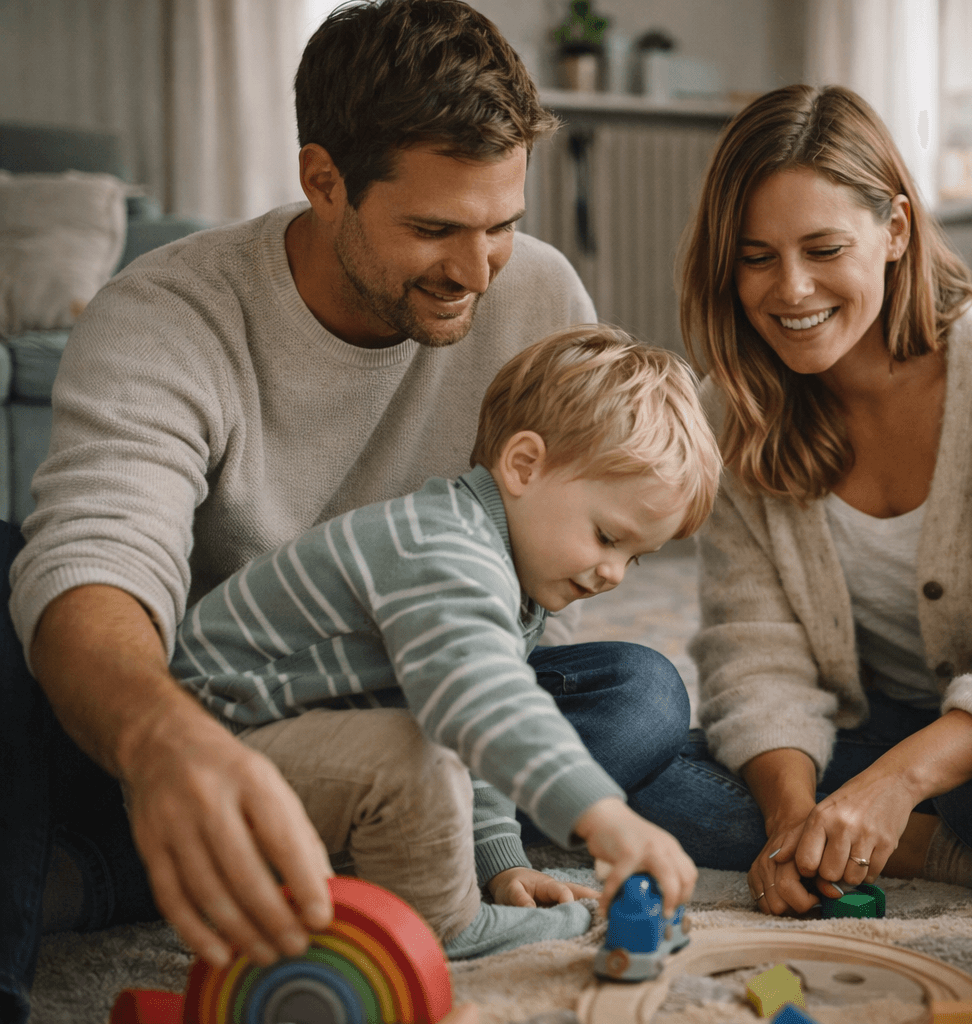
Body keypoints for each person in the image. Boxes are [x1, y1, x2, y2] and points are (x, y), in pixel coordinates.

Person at [2, 2, 694, 1017]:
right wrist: (166, 748)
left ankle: (119, 872)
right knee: (17, 583)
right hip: (204, 714)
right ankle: (166, 851)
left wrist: (497, 848)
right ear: (323, 180)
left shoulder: (539, 294)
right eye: (433, 229)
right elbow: (100, 564)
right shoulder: (170, 312)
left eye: (502, 225)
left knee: (641, 694)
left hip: (407, 688)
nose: (476, 272)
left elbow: (493, 654)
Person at [626, 84, 972, 913]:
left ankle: (916, 832)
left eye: (823, 248)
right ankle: (912, 842)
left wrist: (898, 784)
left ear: (895, 229)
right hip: (864, 729)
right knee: (629, 769)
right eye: (757, 258)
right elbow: (756, 652)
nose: (791, 290)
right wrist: (790, 819)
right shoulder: (736, 412)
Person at [169, 326, 711, 957]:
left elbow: (470, 734)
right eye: (607, 538)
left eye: (634, 559)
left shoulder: (508, 574)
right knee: (415, 756)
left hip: (285, 753)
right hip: (205, 762)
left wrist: (501, 861)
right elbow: (484, 707)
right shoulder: (444, 549)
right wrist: (605, 818)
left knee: (441, 737)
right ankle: (445, 924)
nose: (613, 574)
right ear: (524, 466)